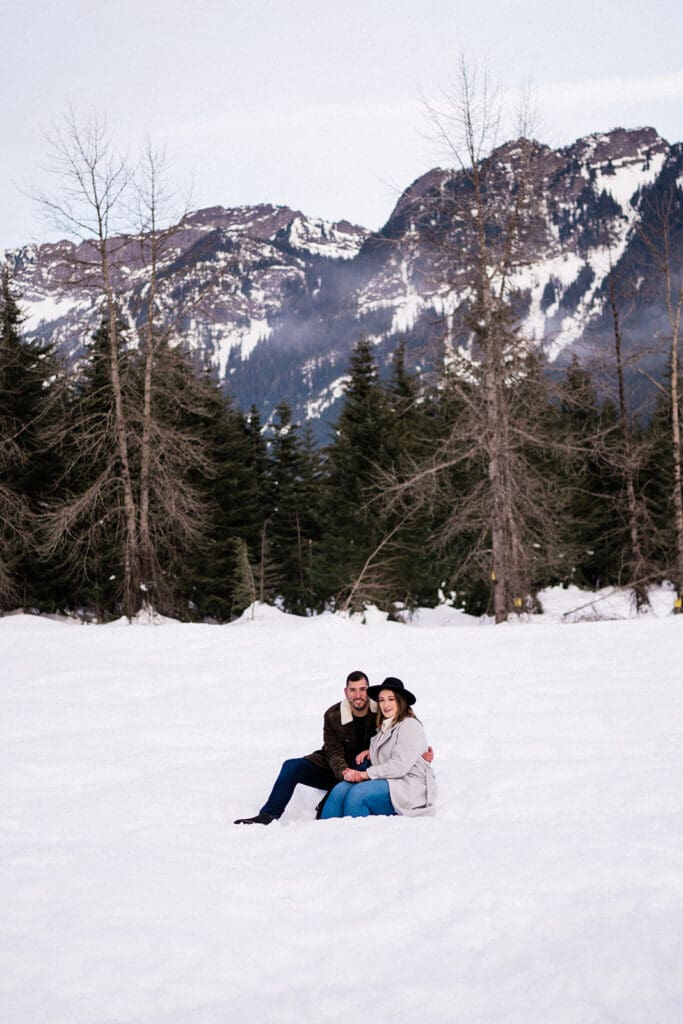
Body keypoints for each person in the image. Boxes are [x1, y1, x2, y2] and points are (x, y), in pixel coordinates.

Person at [233, 670, 378, 825]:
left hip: (362, 771)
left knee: (362, 763)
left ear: (368, 690)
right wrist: (343, 772)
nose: (358, 695)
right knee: (291, 766)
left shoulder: (379, 712)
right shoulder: (333, 715)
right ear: (345, 692)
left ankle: (325, 805)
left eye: (362, 689)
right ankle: (268, 815)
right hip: (335, 768)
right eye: (353, 690)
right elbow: (333, 750)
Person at [320, 677, 436, 819]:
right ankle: (325, 835)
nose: (385, 705)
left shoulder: (410, 725)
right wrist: (372, 751)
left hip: (408, 787)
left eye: (391, 699)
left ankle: (356, 837)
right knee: (340, 790)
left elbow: (399, 765)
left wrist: (364, 774)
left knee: (359, 794)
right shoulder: (383, 729)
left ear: (401, 701)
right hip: (388, 780)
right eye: (381, 700)